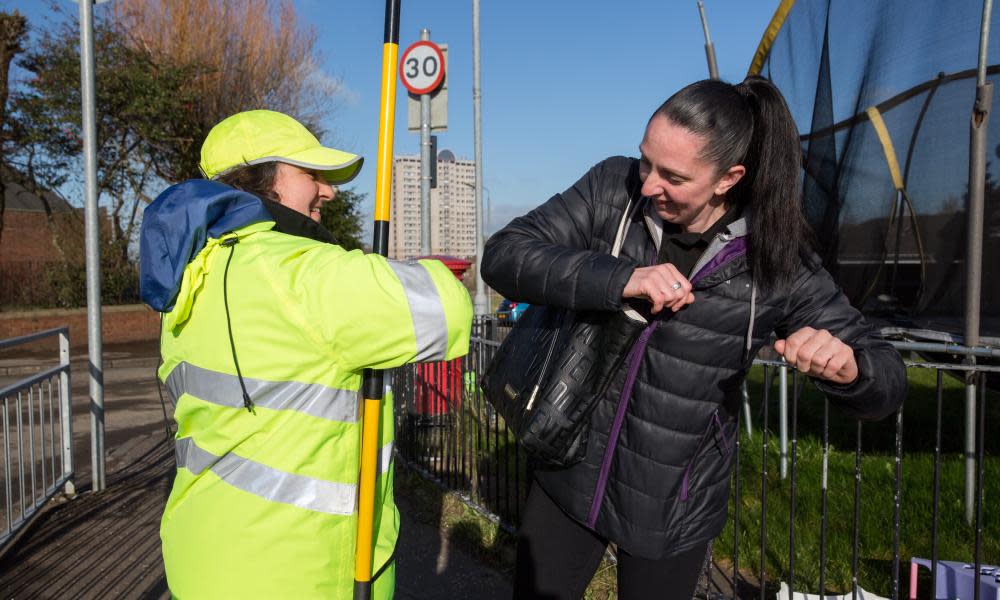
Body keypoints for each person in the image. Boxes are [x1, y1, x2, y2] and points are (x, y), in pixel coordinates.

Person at [481, 78, 906, 600]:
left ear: (728, 179)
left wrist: (852, 370)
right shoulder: (612, 189)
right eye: (646, 161)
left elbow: (886, 377)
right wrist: (619, 280)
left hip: (674, 505)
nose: (648, 184)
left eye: (673, 176)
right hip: (569, 469)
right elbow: (504, 255)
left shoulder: (775, 260)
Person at [139, 110, 473, 599]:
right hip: (296, 570)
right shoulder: (297, 272)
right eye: (311, 175)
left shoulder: (194, 276)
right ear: (261, 179)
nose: (329, 191)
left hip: (203, 551)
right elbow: (448, 310)